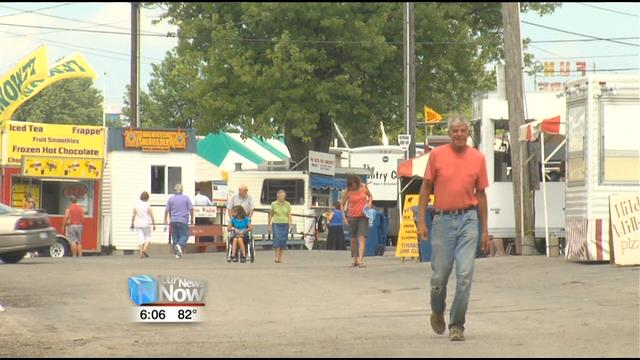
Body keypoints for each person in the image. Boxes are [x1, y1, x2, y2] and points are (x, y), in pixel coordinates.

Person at [417, 114, 490, 342]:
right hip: (442, 221)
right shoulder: (437, 156)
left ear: (469, 134)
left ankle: (457, 325)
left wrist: (485, 229)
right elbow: (425, 188)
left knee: (465, 275)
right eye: (455, 131)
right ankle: (437, 310)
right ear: (449, 134)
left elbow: (481, 195)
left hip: (468, 220)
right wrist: (421, 220)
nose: (459, 134)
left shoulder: (478, 158)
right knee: (439, 276)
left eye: (463, 130)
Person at [340, 175, 373, 268]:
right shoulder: (348, 192)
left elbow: (370, 196)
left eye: (355, 184)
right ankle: (355, 259)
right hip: (352, 217)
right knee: (353, 239)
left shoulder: (363, 188)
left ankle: (361, 260)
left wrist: (369, 203)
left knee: (362, 237)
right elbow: (342, 205)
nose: (353, 187)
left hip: (363, 216)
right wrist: (344, 217)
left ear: (357, 183)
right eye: (352, 185)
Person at [164, 184, 194, 259]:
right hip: (183, 220)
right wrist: (192, 218)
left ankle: (177, 253)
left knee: (175, 236)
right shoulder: (186, 198)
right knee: (185, 234)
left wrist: (165, 219)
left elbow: (167, 210)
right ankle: (179, 245)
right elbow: (191, 209)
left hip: (173, 220)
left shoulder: (171, 199)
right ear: (182, 190)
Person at [268, 190, 292, 263]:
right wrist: (269, 225)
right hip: (276, 223)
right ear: (278, 196)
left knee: (283, 241)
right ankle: (276, 257)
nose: (282, 198)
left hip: (285, 223)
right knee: (277, 239)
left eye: (284, 196)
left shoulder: (287, 204)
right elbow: (270, 214)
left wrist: (291, 223)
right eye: (281, 196)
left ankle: (280, 257)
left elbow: (289, 214)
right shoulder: (273, 204)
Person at [131, 191, 156, 259]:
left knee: (140, 238)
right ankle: (144, 249)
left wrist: (132, 223)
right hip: (146, 223)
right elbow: (151, 215)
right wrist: (154, 224)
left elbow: (133, 215)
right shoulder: (148, 206)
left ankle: (141, 252)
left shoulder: (136, 205)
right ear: (147, 198)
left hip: (138, 223)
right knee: (148, 238)